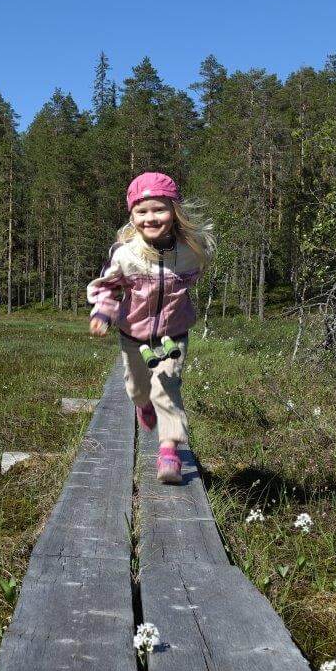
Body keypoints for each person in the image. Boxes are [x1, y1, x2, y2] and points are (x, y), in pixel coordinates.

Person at [86, 171, 216, 483]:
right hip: (134, 335)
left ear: (175, 211)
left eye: (159, 209)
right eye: (141, 211)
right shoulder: (126, 254)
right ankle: (143, 406)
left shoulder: (190, 252)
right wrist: (103, 312)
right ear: (132, 215)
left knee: (166, 385)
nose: (151, 218)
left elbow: (194, 276)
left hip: (174, 333)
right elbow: (107, 286)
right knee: (138, 388)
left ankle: (169, 452)